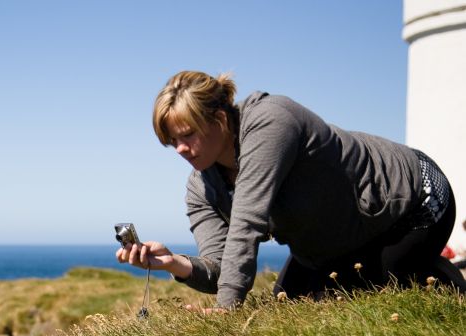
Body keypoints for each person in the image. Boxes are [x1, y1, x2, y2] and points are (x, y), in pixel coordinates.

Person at [116, 70, 466, 308]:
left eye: (187, 134)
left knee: (369, 292)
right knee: (289, 306)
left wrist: (226, 312)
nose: (180, 149)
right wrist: (175, 263)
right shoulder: (201, 188)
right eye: (172, 141)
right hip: (335, 241)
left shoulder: (270, 119)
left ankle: (446, 283)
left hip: (413, 203)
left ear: (219, 119)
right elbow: (224, 271)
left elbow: (247, 222)